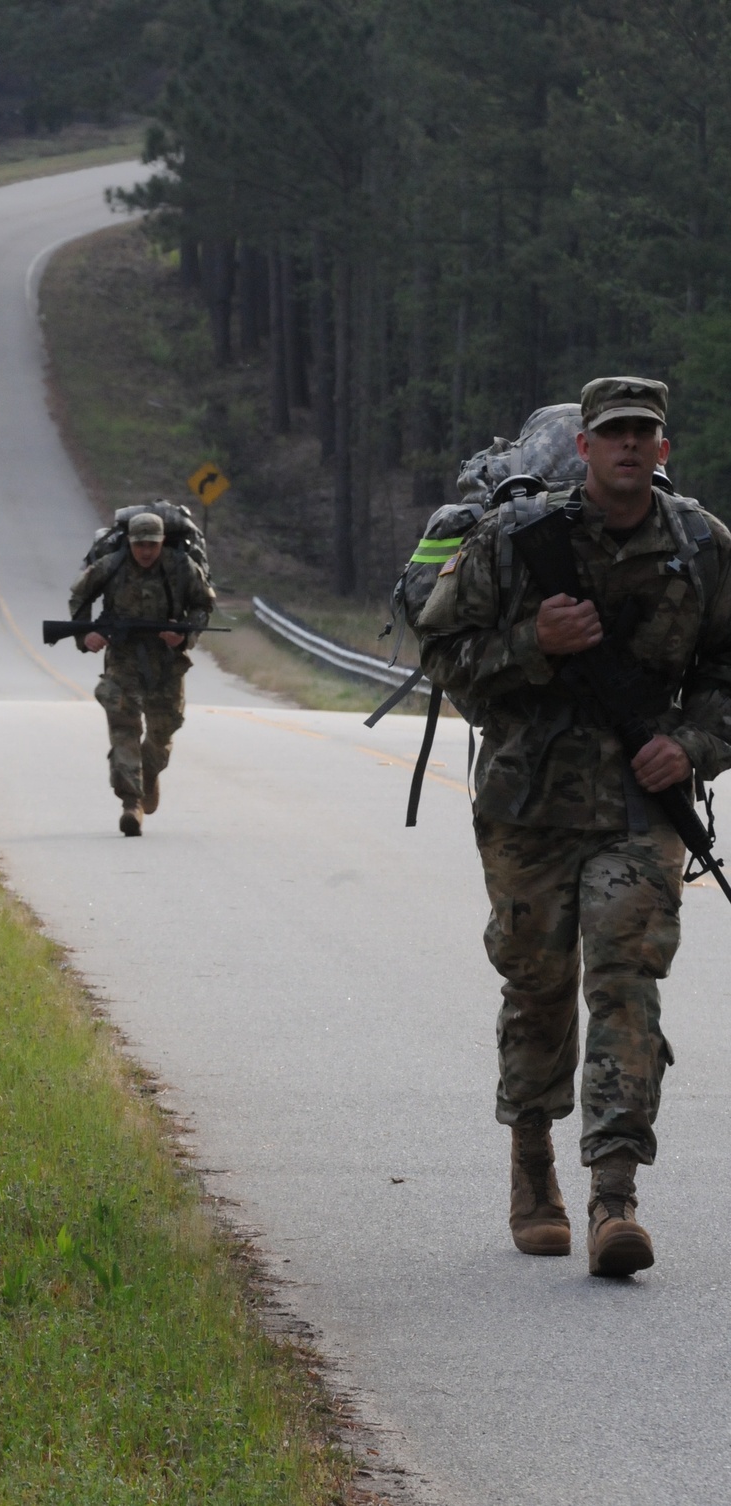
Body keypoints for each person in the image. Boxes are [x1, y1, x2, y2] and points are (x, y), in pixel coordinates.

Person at [416, 377, 731, 1277]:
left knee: (627, 980)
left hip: (641, 805)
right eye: (613, 433)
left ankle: (615, 1196)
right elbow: (443, 654)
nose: (630, 446)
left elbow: (727, 671)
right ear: (583, 448)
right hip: (527, 804)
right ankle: (531, 1160)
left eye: (645, 433)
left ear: (663, 450)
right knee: (539, 984)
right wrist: (531, 646)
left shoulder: (703, 547)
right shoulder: (517, 541)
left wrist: (693, 743)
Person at [68, 509, 215, 835]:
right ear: (130, 543)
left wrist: (185, 635)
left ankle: (148, 773)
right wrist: (85, 633)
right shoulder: (111, 566)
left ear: (163, 542)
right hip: (123, 656)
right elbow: (79, 594)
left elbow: (203, 605)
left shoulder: (181, 568)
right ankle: (131, 803)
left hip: (167, 659)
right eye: (139, 544)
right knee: (124, 722)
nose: (146, 551)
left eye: (152, 544)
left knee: (164, 729)